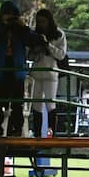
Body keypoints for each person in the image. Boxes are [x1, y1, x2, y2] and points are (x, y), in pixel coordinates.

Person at [0, 0, 35, 137]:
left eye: (14, 15)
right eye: (7, 14)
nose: (10, 17)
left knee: (17, 103)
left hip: (16, 70)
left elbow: (32, 41)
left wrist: (23, 26)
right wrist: (5, 25)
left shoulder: (20, 31)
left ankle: (16, 130)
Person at [28, 9, 67, 137]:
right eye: (38, 22)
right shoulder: (34, 34)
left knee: (50, 103)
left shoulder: (59, 34)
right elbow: (29, 56)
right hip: (37, 72)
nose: (41, 24)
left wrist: (47, 45)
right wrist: (36, 48)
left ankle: (52, 133)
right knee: (36, 104)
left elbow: (61, 55)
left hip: (51, 71)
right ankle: (37, 134)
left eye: (43, 21)